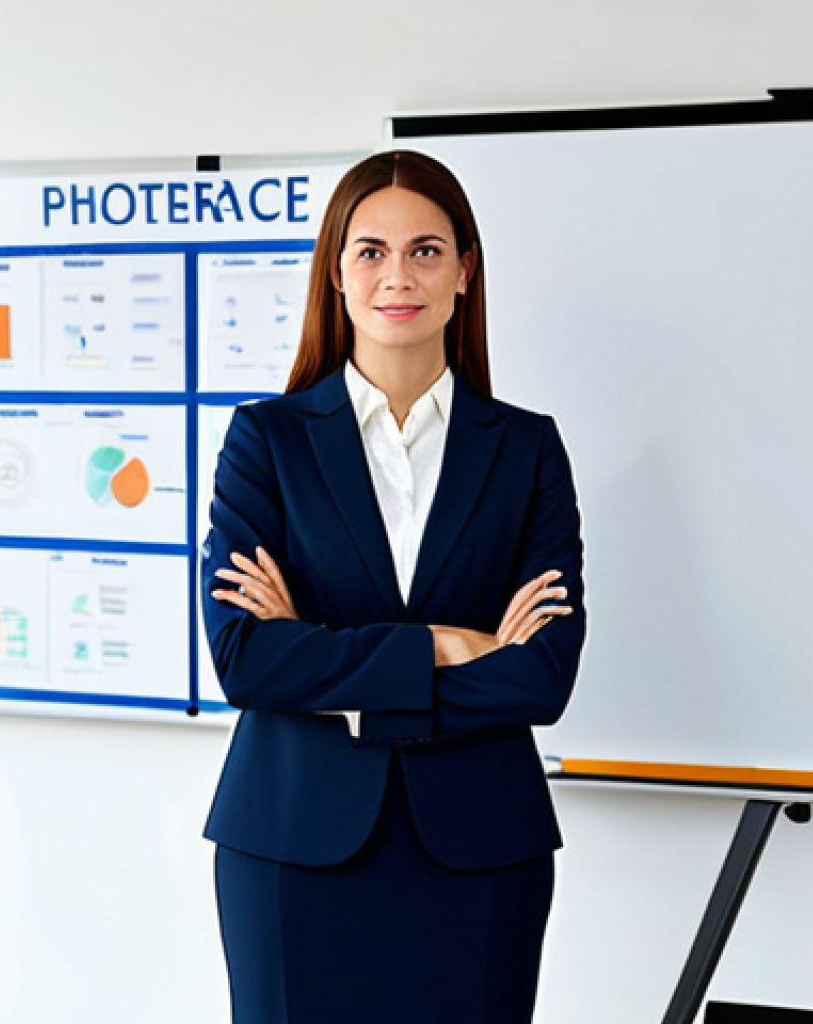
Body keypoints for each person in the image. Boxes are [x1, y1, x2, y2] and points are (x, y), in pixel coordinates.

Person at [201, 150, 586, 1024]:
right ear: (336, 274)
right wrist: (444, 645)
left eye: (425, 251)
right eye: (371, 251)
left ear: (464, 270)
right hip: (292, 844)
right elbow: (246, 659)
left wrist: (328, 664)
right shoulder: (267, 441)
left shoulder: (526, 449)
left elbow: (541, 676)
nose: (398, 276)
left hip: (482, 850)